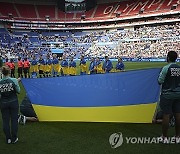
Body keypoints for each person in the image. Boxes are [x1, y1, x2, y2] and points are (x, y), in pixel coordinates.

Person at [158, 51, 180, 143]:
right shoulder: (179, 68)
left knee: (166, 115)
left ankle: (164, 137)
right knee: (178, 114)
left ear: (168, 57)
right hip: (178, 94)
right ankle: (178, 136)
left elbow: (160, 81)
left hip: (167, 95)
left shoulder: (166, 68)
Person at [0, 66, 20, 144]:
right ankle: (14, 138)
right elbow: (18, 91)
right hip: (13, 102)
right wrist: (17, 82)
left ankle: (8, 138)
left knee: (5, 121)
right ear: (9, 72)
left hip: (3, 103)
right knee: (14, 120)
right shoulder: (14, 80)